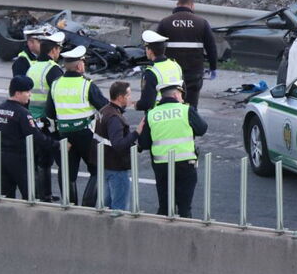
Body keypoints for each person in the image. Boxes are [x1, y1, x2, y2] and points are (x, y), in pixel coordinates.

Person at [46, 45, 108, 206]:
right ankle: (87, 206)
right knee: (98, 169)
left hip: (64, 134)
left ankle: (70, 205)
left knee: (67, 172)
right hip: (86, 134)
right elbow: (105, 107)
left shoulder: (55, 84)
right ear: (80, 65)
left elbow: (50, 113)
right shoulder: (87, 85)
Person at [137, 80, 208, 217]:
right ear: (176, 95)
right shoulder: (186, 110)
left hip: (161, 167)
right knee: (184, 208)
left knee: (165, 207)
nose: (182, 98)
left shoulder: (152, 114)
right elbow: (202, 129)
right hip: (185, 165)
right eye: (181, 94)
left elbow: (144, 143)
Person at [0, 75, 59, 199]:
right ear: (17, 93)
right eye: (27, 91)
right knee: (32, 197)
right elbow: (36, 136)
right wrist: (57, 145)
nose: (30, 95)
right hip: (21, 159)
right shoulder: (23, 113)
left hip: (2, 158)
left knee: (6, 197)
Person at [156, 0, 219, 109]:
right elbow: (211, 47)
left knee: (171, 104)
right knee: (191, 106)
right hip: (194, 72)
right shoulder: (201, 22)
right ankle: (191, 125)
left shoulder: (165, 22)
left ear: (177, 4)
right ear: (192, 5)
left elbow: (156, 46)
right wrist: (213, 67)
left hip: (171, 72)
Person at [25, 31, 65, 202]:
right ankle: (67, 198)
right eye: (58, 50)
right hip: (50, 123)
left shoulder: (32, 67)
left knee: (42, 160)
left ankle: (44, 195)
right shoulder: (53, 69)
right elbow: (58, 96)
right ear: (53, 51)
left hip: (34, 121)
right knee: (62, 160)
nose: (59, 54)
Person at [92, 81, 140, 211]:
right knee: (119, 209)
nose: (130, 98)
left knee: (105, 206)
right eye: (128, 95)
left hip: (106, 164)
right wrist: (137, 132)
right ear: (120, 97)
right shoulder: (114, 117)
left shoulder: (104, 110)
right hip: (117, 167)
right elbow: (118, 144)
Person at [134, 30, 183, 112]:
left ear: (150, 51)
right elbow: (183, 90)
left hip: (157, 115)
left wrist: (136, 105)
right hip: (176, 112)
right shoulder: (175, 65)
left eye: (146, 48)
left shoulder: (151, 71)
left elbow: (147, 103)